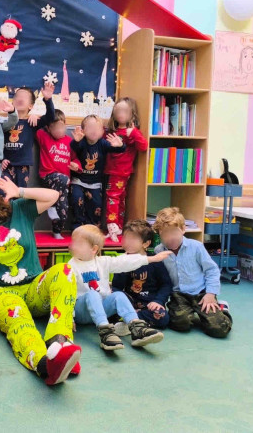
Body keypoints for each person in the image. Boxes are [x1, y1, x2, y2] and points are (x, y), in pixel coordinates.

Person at [0, 177, 81, 386]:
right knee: (18, 317)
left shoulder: (18, 209)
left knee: (64, 270)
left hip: (33, 288)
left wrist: (20, 191)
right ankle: (45, 365)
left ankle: (61, 345)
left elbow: (54, 196)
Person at [68, 224, 172, 351]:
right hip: (82, 312)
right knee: (92, 293)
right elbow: (66, 294)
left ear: (94, 249)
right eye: (73, 242)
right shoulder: (70, 267)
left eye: (79, 244)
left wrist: (151, 259)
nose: (72, 246)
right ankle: (105, 332)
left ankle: (136, 327)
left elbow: (124, 262)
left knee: (118, 295)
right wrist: (69, 317)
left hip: (102, 309)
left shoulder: (103, 262)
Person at [153, 207, 233, 338]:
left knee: (219, 329)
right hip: (178, 295)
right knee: (180, 323)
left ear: (183, 229)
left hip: (201, 293)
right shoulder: (158, 251)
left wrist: (210, 294)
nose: (170, 238)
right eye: (165, 234)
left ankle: (222, 309)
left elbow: (212, 270)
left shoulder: (196, 247)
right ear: (159, 234)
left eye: (174, 232)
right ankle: (190, 313)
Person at [111, 219, 173, 332]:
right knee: (112, 301)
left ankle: (129, 321)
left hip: (149, 303)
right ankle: (132, 320)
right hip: (129, 302)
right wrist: (122, 266)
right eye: (125, 238)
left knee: (163, 317)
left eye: (133, 239)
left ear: (146, 243)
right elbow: (116, 287)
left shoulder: (155, 261)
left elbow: (166, 284)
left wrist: (158, 301)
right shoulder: (121, 261)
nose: (127, 242)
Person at [105, 97, 149, 242]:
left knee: (114, 198)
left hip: (122, 171)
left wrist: (134, 133)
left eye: (124, 110)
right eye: (117, 110)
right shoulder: (111, 131)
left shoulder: (131, 132)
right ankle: (117, 226)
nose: (120, 114)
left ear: (132, 113)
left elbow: (143, 146)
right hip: (112, 171)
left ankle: (113, 225)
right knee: (117, 198)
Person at [70, 115, 125, 230]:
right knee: (76, 199)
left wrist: (120, 145)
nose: (94, 131)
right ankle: (78, 226)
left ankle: (92, 228)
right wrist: (76, 141)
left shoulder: (102, 143)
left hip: (95, 183)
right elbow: (75, 147)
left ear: (102, 131)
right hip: (79, 181)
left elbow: (119, 149)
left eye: (97, 128)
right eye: (90, 127)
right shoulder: (82, 142)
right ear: (83, 130)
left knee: (97, 205)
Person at [35, 109, 81, 239]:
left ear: (65, 125)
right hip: (48, 176)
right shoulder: (44, 136)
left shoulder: (70, 142)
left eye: (61, 127)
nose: (59, 130)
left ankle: (57, 231)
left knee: (63, 209)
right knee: (63, 178)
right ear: (48, 128)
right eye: (55, 128)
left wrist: (76, 165)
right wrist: (34, 115)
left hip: (63, 185)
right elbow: (36, 125)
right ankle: (52, 205)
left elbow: (76, 159)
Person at [1, 82, 56, 187]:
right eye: (17, 96)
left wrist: (48, 100)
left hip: (23, 166)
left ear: (31, 106)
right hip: (5, 165)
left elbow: (51, 117)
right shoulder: (4, 122)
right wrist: (2, 158)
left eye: (24, 97)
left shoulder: (32, 122)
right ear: (12, 103)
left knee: (20, 192)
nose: (20, 99)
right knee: (4, 191)